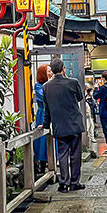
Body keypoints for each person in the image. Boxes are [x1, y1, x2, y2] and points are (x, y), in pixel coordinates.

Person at [42, 58, 87, 193]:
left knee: (62, 154)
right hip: (74, 123)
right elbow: (80, 97)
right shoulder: (73, 82)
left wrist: (45, 124)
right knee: (75, 154)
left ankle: (63, 183)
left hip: (59, 125)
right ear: (63, 69)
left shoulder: (46, 87)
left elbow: (47, 109)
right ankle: (74, 182)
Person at [33, 64, 51, 174]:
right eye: (48, 71)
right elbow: (45, 97)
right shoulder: (38, 86)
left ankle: (51, 164)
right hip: (42, 113)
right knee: (42, 141)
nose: (51, 72)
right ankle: (42, 166)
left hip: (51, 112)